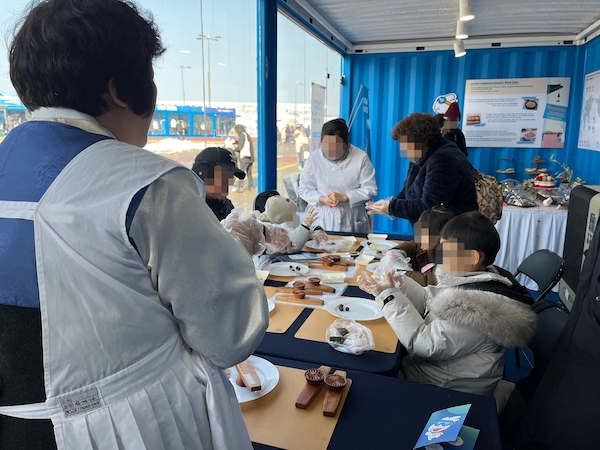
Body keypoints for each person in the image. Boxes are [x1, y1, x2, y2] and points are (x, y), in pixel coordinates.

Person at [0, 2, 268, 449]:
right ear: (122, 89)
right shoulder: (147, 185)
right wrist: (236, 247)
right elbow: (230, 334)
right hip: (132, 426)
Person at [357, 212, 536, 396]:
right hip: (434, 374)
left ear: (473, 258)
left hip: (446, 389)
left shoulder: (479, 308)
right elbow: (429, 300)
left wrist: (388, 296)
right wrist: (399, 285)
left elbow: (425, 344)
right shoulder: (473, 277)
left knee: (364, 382)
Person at [365, 112, 476, 224]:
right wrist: (387, 204)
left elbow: (430, 207)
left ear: (421, 141)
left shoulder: (444, 159)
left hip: (452, 231)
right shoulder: (421, 155)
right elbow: (407, 191)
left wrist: (391, 207)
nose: (405, 151)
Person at [298, 118, 378, 233]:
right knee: (321, 247)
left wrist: (345, 197)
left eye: (336, 146)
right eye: (326, 145)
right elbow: (304, 188)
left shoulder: (360, 157)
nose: (331, 150)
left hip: (351, 216)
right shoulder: (315, 158)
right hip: (322, 216)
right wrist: (321, 199)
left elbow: (371, 189)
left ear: (346, 143)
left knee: (351, 249)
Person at [397, 204, 456, 286]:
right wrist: (395, 252)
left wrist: (399, 272)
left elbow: (427, 280)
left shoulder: (450, 260)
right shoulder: (429, 246)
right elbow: (412, 246)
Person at [192, 146, 246, 221]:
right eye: (222, 179)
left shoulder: (226, 206)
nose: (226, 189)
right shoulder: (187, 210)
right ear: (203, 174)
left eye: (229, 180)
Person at [233, 124, 255, 191]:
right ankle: (250, 187)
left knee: (241, 173)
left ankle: (240, 187)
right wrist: (236, 142)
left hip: (245, 158)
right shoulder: (246, 135)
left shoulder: (242, 135)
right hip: (250, 158)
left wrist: (233, 149)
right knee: (249, 173)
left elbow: (240, 147)